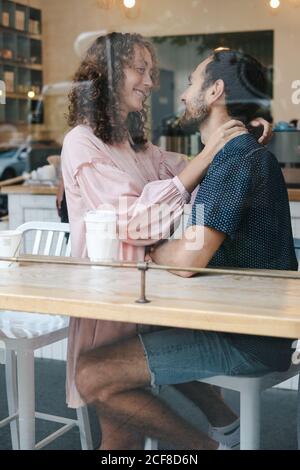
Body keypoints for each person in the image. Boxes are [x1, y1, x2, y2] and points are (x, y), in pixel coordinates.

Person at [73, 48, 298, 450]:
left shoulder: (235, 158)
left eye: (192, 82)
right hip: (237, 322)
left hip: (246, 337)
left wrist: (152, 250)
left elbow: (187, 260)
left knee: (91, 373)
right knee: (135, 340)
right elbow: (182, 190)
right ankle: (226, 428)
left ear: (214, 91)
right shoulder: (227, 156)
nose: (181, 94)